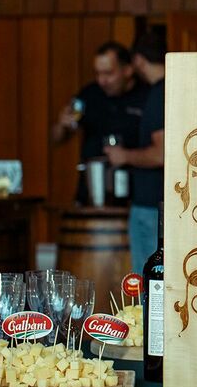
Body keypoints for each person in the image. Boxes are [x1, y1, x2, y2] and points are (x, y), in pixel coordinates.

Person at [51, 41, 149, 205]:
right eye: (98, 73)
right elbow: (56, 138)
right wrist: (62, 125)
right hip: (92, 192)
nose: (102, 80)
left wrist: (127, 156)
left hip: (135, 196)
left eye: (108, 73)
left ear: (128, 70)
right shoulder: (89, 94)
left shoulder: (146, 96)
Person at [105, 31, 166, 272]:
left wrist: (124, 156)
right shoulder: (174, 89)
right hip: (161, 203)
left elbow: (161, 154)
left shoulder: (159, 94)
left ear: (138, 60)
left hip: (150, 206)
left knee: (148, 280)